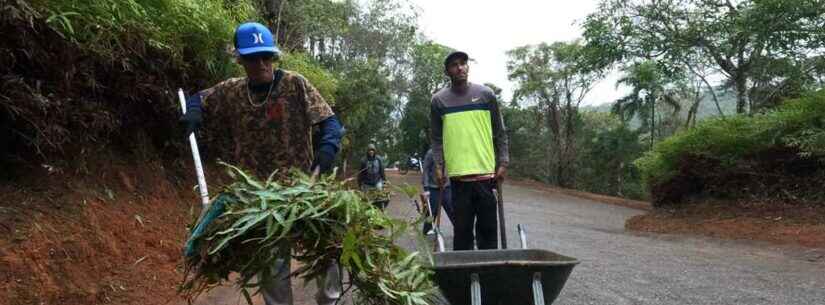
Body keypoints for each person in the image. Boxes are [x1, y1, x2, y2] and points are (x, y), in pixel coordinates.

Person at [180, 22, 343, 305]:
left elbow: (330, 122)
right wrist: (193, 110)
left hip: (303, 186)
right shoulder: (231, 90)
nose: (262, 64)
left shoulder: (295, 84)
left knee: (328, 248)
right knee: (272, 266)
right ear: (240, 60)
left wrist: (327, 147)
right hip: (258, 198)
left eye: (267, 56)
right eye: (253, 58)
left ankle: (329, 301)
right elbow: (199, 98)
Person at [429, 51, 509, 251]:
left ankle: (489, 276)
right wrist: (438, 166)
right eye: (455, 65)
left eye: (463, 63)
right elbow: (436, 138)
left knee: (488, 232)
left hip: (486, 175)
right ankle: (464, 278)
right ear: (448, 71)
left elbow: (500, 131)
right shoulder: (439, 101)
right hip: (458, 179)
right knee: (462, 233)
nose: (460, 67)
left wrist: (504, 161)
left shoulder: (486, 95)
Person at [421, 148, 454, 235]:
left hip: (447, 187)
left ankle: (459, 229)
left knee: (452, 209)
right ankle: (427, 230)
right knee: (431, 211)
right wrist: (426, 188)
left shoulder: (451, 151)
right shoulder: (431, 153)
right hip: (433, 188)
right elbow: (426, 171)